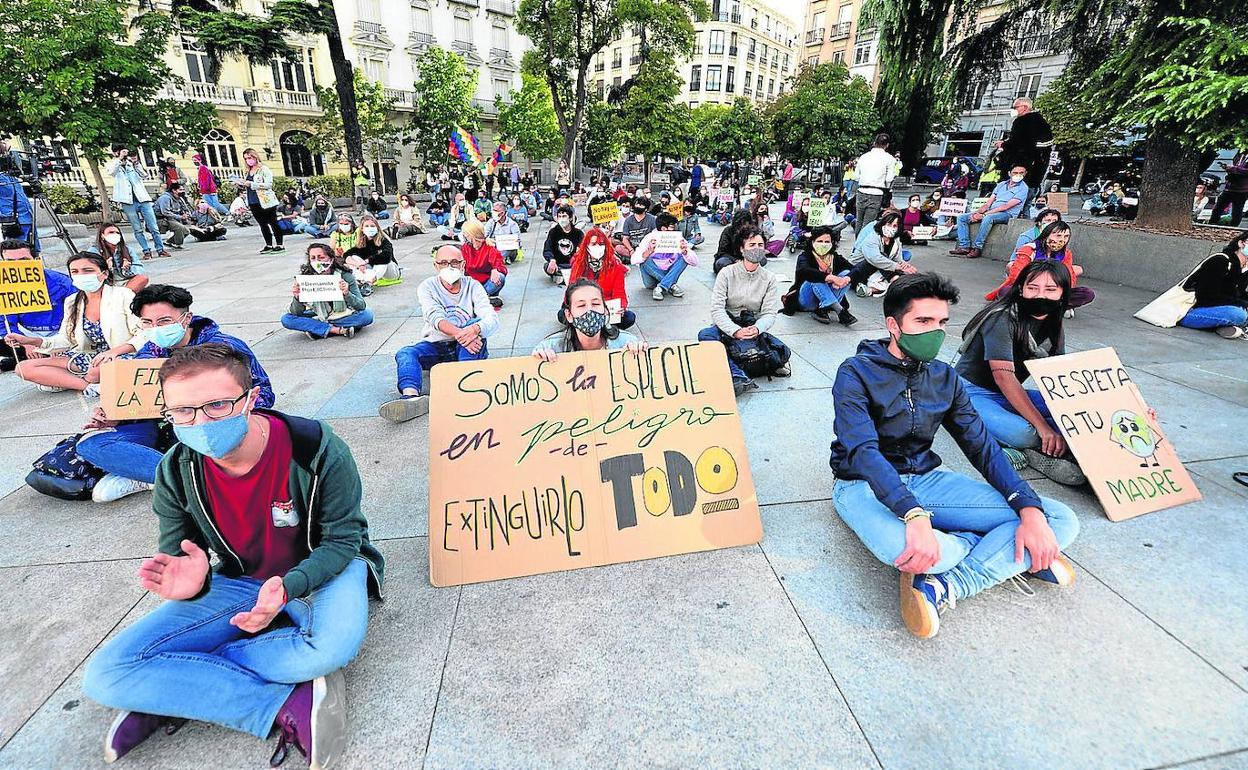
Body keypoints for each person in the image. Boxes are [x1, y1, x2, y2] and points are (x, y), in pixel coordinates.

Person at [81, 343, 384, 768]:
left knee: (327, 650)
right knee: (107, 674)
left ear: (251, 400)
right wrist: (192, 582)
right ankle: (283, 701)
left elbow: (342, 541)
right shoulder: (177, 468)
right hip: (242, 578)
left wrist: (291, 585)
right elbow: (178, 549)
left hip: (325, 569)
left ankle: (175, 686)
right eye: (182, 411)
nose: (199, 422)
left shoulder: (314, 446)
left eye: (218, 405)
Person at [829, 272, 1079, 639]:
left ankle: (947, 586)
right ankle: (1002, 551)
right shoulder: (855, 373)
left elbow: (982, 447)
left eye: (942, 322)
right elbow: (863, 451)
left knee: (1057, 519)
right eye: (923, 321)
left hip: (927, 480)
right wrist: (913, 515)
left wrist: (1027, 508)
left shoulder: (945, 378)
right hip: (862, 485)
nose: (935, 331)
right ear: (893, 325)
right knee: (921, 551)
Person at [76, 285, 275, 502]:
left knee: (210, 447)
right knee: (91, 444)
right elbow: (136, 394)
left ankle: (152, 474)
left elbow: (263, 394)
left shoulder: (224, 348)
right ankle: (174, 478)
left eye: (164, 321)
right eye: (147, 323)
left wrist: (216, 410)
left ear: (186, 318)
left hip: (206, 424)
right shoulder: (151, 349)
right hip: (159, 424)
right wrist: (114, 413)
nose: (155, 328)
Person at [955, 259, 1086, 484]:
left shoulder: (1055, 322)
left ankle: (1048, 446)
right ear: (1021, 288)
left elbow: (1060, 374)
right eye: (1032, 287)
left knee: (1081, 415)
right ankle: (1034, 452)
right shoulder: (1002, 317)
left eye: (1050, 289)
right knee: (1024, 432)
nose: (1039, 295)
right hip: (970, 391)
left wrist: (1114, 406)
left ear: (1063, 293)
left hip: (1010, 393)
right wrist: (1043, 427)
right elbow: (1003, 377)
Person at [380, 245, 499, 423]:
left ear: (463, 264)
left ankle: (463, 389)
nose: (449, 267)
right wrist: (462, 335)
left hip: (467, 347)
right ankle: (411, 398)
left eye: (454, 262)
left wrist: (474, 330)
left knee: (475, 323)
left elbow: (491, 318)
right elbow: (435, 318)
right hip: (438, 345)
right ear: (436, 266)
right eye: (443, 263)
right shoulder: (427, 287)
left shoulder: (472, 286)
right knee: (405, 353)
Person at [9, 252, 144, 395]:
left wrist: (113, 352)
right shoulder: (73, 301)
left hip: (119, 355)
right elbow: (66, 338)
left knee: (95, 372)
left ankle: (68, 380)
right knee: (22, 369)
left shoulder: (123, 295)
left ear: (104, 274)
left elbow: (142, 333)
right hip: (88, 357)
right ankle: (89, 387)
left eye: (88, 270)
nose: (81, 275)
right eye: (75, 271)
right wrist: (31, 341)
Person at [698, 226, 789, 395]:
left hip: (752, 325)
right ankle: (738, 376)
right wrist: (734, 331)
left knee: (781, 350)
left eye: (760, 245)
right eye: (752, 245)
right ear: (742, 249)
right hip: (729, 324)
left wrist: (757, 328)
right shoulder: (726, 273)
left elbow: (769, 313)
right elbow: (717, 309)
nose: (757, 249)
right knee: (706, 336)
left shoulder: (769, 278)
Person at [0, 240, 74, 372]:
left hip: (61, 334)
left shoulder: (62, 282)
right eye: (10, 262)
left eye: (23, 260)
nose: (17, 267)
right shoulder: (3, 287)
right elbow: (5, 323)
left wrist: (57, 344)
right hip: (25, 336)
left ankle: (41, 358)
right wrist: (26, 343)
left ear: (37, 260)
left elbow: (77, 316)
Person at [989, 221, 1094, 313]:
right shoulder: (1029, 250)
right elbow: (1017, 275)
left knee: (1087, 293)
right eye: (1058, 236)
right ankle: (1047, 308)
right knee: (1005, 291)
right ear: (1046, 235)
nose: (1062, 240)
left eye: (1066, 236)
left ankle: (1047, 307)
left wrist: (1061, 292)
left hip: (1053, 291)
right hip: (1030, 289)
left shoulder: (1066, 254)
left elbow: (1069, 276)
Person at [533, 279, 646, 360]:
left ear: (606, 311)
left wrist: (639, 353)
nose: (589, 310)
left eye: (595, 303)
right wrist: (538, 360)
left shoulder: (626, 342)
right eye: (581, 306)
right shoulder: (550, 346)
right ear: (569, 315)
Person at [283, 243, 375, 340]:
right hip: (319, 313)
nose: (317, 261)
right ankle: (337, 330)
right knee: (287, 319)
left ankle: (318, 328)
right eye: (313, 258)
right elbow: (296, 312)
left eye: (321, 257)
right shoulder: (306, 278)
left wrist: (347, 293)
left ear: (331, 259)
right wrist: (297, 297)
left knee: (367, 315)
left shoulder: (345, 275)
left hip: (343, 313)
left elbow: (361, 306)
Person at [1170, 230, 1248, 338]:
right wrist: (1242, 304)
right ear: (1241, 243)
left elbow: (1238, 294)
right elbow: (1207, 296)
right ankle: (1220, 325)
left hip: (1218, 309)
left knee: (1240, 312)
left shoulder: (1243, 269)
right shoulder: (1220, 261)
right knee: (1238, 314)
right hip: (1191, 310)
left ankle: (1220, 326)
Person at [950, 163, 1029, 259]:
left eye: (1021, 173)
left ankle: (977, 247)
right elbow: (989, 202)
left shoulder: (1023, 188)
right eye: (1015, 172)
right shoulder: (1001, 184)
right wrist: (978, 213)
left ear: (1025, 174)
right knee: (962, 217)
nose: (1018, 175)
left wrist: (984, 215)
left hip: (1007, 214)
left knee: (988, 218)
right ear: (1009, 173)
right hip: (992, 210)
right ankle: (964, 246)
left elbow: (1006, 206)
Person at [105, 146, 170, 260]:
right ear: (116, 153)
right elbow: (111, 172)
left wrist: (136, 164)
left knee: (153, 226)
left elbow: (144, 175)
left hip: (142, 198)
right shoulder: (113, 164)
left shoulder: (132, 164)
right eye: (122, 152)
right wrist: (120, 159)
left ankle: (160, 249)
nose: (126, 154)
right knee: (137, 228)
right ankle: (146, 251)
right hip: (128, 201)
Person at [566, 228, 634, 329]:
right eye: (593, 244)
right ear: (586, 246)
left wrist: (621, 307)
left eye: (601, 244)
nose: (598, 247)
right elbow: (570, 292)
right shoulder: (578, 264)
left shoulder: (616, 266)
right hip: (583, 306)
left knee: (629, 317)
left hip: (606, 307)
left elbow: (620, 293)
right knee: (562, 314)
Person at [789, 225, 856, 326]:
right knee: (814, 277)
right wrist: (830, 277)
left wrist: (843, 280)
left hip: (829, 294)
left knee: (846, 274)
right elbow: (804, 271)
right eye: (820, 241)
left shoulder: (835, 258)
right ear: (812, 242)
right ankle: (840, 311)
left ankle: (823, 308)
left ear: (832, 243)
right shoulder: (805, 256)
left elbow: (854, 270)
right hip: (807, 300)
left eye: (827, 242)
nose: (823, 244)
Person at [999, 97, 1053, 215]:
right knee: (1026, 206)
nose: (1014, 110)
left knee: (1013, 207)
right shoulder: (1042, 123)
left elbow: (1017, 143)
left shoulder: (1022, 122)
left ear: (1024, 108)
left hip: (1021, 173)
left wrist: (1003, 144)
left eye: (1015, 107)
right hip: (1035, 176)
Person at [849, 211, 917, 297]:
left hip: (880, 268)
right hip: (859, 268)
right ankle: (895, 280)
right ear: (882, 224)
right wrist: (897, 267)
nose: (891, 228)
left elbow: (897, 259)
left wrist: (905, 265)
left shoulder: (896, 240)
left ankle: (871, 290)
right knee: (883, 257)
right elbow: (875, 258)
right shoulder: (872, 238)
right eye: (889, 224)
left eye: (895, 226)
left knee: (904, 272)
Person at [633, 213, 695, 302]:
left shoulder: (677, 238)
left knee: (684, 258)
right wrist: (648, 252)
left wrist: (685, 252)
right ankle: (670, 285)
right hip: (651, 277)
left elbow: (695, 262)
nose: (674, 229)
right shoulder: (650, 237)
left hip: (669, 270)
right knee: (645, 260)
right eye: (672, 227)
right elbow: (634, 259)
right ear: (663, 228)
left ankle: (661, 287)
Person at [237, 148, 284, 254]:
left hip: (266, 200)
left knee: (273, 222)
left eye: (250, 158)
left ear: (255, 157)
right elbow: (248, 184)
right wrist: (242, 184)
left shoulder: (264, 169)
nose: (248, 160)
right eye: (246, 159)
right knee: (262, 224)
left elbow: (268, 184)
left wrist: (252, 184)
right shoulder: (248, 171)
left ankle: (280, 244)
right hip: (253, 200)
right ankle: (268, 244)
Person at [87, 223, 149, 293]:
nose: (115, 234)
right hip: (107, 283)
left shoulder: (128, 249)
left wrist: (127, 269)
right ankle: (121, 296)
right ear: (102, 236)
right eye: (111, 232)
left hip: (126, 282)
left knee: (143, 278)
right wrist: (105, 267)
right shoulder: (94, 251)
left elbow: (140, 269)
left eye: (117, 233)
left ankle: (120, 296)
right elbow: (91, 274)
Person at [854, 133, 897, 232]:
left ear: (874, 143)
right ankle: (863, 244)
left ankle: (857, 243)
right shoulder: (889, 159)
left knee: (859, 221)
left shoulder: (864, 157)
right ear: (887, 145)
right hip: (877, 192)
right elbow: (889, 179)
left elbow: (856, 176)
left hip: (861, 190)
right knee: (868, 223)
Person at [344, 215, 400, 289]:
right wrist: (358, 264)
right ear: (362, 229)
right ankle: (360, 280)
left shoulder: (384, 240)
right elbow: (347, 254)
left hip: (390, 271)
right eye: (366, 226)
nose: (369, 228)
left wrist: (366, 261)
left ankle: (368, 283)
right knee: (354, 257)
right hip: (373, 269)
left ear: (377, 228)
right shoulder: (362, 242)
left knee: (382, 261)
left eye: (372, 226)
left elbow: (386, 256)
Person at [460, 218, 507, 307]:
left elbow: (501, 266)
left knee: (500, 277)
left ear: (472, 234)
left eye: (465, 233)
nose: (464, 235)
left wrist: (495, 269)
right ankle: (482, 299)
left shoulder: (490, 247)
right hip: (472, 283)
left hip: (486, 283)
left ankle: (476, 299)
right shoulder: (465, 247)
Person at [541, 205, 583, 285]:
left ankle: (565, 276)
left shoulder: (578, 233)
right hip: (558, 265)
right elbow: (547, 249)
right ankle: (564, 275)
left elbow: (582, 250)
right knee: (546, 266)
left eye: (564, 216)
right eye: (559, 216)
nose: (561, 219)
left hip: (574, 264)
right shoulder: (553, 232)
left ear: (570, 218)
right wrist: (552, 260)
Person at [615, 197, 656, 262]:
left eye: (641, 205)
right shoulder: (628, 220)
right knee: (618, 248)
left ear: (646, 209)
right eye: (637, 204)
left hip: (647, 247)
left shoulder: (652, 219)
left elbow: (655, 235)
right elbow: (625, 238)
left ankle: (635, 258)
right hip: (633, 247)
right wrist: (631, 250)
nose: (638, 206)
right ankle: (638, 258)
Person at [1212, 151, 1247, 227]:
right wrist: (1228, 168)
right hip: (1230, 187)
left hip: (1242, 189)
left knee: (1237, 210)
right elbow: (1236, 166)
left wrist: (1233, 169)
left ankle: (1233, 227)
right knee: (1218, 207)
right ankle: (1212, 223)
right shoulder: (1239, 154)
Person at [153, 182, 192, 251]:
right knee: (179, 228)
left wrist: (187, 214)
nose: (182, 191)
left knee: (186, 231)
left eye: (183, 189)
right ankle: (178, 245)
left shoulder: (179, 198)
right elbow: (165, 212)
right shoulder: (165, 198)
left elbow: (185, 208)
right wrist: (180, 217)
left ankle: (169, 242)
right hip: (162, 219)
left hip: (171, 218)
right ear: (174, 190)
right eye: (180, 190)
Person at [484, 200, 522, 264]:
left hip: (507, 248)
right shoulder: (491, 222)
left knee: (508, 249)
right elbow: (484, 235)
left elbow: (518, 242)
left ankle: (497, 259)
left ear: (502, 213)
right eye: (493, 210)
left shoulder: (512, 224)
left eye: (496, 211)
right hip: (494, 246)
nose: (493, 213)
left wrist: (509, 241)